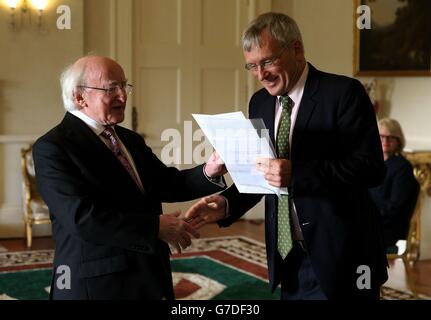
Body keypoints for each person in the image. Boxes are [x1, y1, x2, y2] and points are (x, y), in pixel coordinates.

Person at [185, 12, 388, 300]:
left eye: (267, 61)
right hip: (287, 257)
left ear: (296, 49)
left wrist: (298, 173)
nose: (261, 74)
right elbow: (263, 175)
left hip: (343, 257)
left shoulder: (344, 93)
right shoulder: (259, 102)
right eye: (252, 66)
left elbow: (371, 169)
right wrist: (226, 204)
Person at [33, 56, 227, 300]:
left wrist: (209, 170)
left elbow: (165, 183)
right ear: (79, 97)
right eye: (111, 88)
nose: (123, 96)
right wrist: (156, 227)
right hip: (98, 285)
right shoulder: (53, 147)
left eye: (124, 86)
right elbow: (81, 218)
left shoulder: (129, 139)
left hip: (149, 275)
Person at [369, 118, 419, 254]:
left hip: (388, 229)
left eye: (391, 137)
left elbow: (394, 208)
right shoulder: (372, 163)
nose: (385, 141)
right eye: (381, 136)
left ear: (398, 141)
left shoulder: (402, 167)